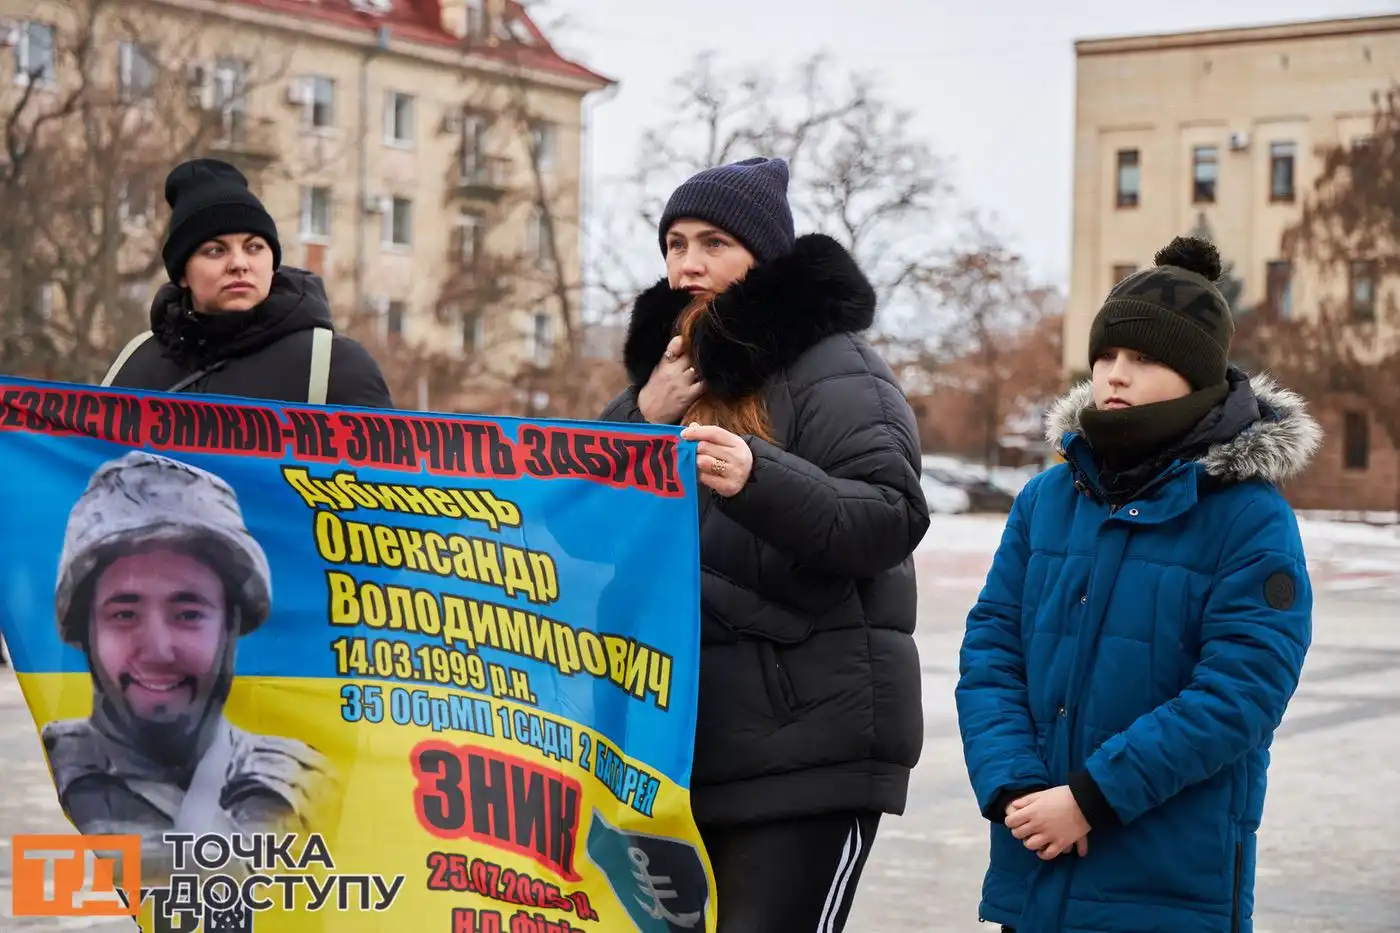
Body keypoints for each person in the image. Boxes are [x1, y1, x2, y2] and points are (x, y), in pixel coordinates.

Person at [599, 156, 930, 931]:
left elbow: (889, 516)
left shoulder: (836, 367)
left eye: (712, 242)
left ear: (764, 256)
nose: (688, 263)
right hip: (682, 749)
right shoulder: (666, 380)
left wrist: (758, 476)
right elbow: (577, 520)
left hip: (809, 749)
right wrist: (641, 417)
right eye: (675, 243)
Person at [954, 236, 1321, 933]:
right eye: (1106, 355)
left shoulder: (1248, 515)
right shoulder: (1045, 499)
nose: (1115, 375)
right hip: (1035, 866)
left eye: (1145, 359)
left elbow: (1243, 690)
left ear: (1197, 376)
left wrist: (1092, 798)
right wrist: (1016, 785)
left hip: (1165, 885)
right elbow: (991, 648)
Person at [42, 450, 337, 883]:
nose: (159, 651)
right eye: (124, 614)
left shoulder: (306, 785)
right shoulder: (40, 772)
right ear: (84, 629)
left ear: (232, 624)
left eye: (188, 614)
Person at [101, 158, 393, 409]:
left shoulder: (333, 365)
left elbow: (386, 472)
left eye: (254, 247)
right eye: (215, 250)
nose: (239, 263)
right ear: (182, 275)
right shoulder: (137, 364)